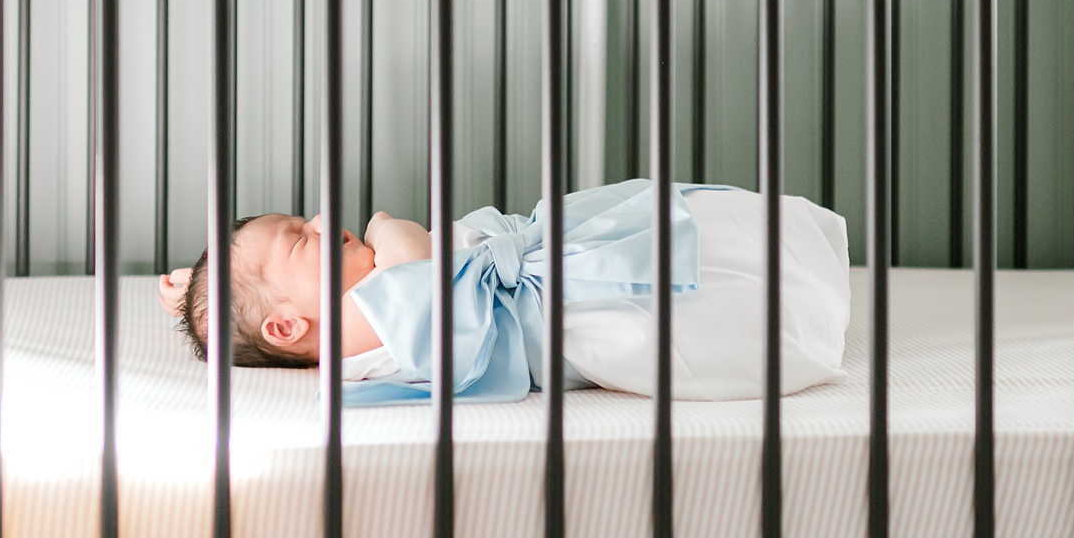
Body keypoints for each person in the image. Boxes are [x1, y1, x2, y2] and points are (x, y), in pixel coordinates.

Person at [159, 180, 851, 404]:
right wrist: (390, 232)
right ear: (287, 329)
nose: (322, 220)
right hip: (567, 309)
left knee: (699, 238)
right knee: (685, 298)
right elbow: (423, 271)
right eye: (298, 238)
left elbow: (255, 306)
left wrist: (212, 290)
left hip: (547, 259)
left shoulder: (340, 310)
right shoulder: (349, 338)